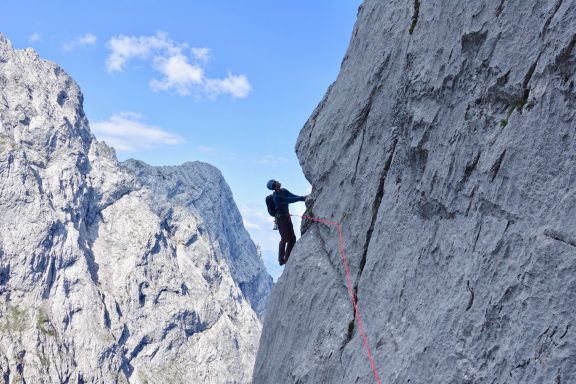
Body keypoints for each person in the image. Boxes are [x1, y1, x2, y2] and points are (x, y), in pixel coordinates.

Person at [266, 179, 306, 266]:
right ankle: (281, 260)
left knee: (292, 239)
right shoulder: (276, 197)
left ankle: (287, 258)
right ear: (274, 185)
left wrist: (303, 198)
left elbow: (292, 196)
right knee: (284, 239)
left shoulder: (283, 191)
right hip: (281, 220)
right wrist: (302, 198)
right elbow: (289, 200)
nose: (278, 181)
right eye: (276, 181)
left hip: (286, 218)